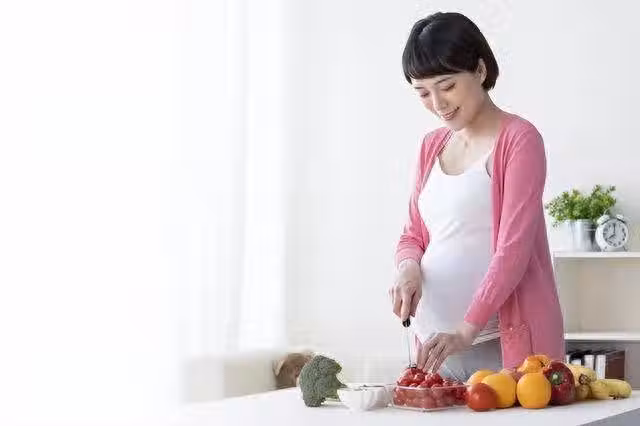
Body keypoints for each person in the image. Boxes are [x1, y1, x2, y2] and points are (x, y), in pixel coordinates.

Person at [390, 12, 564, 382]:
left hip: (498, 344)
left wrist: (465, 330)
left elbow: (513, 251)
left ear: (480, 70)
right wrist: (407, 268)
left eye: (447, 86)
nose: (438, 103)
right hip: (436, 348)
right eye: (423, 93)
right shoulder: (431, 146)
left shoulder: (519, 140)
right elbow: (413, 235)